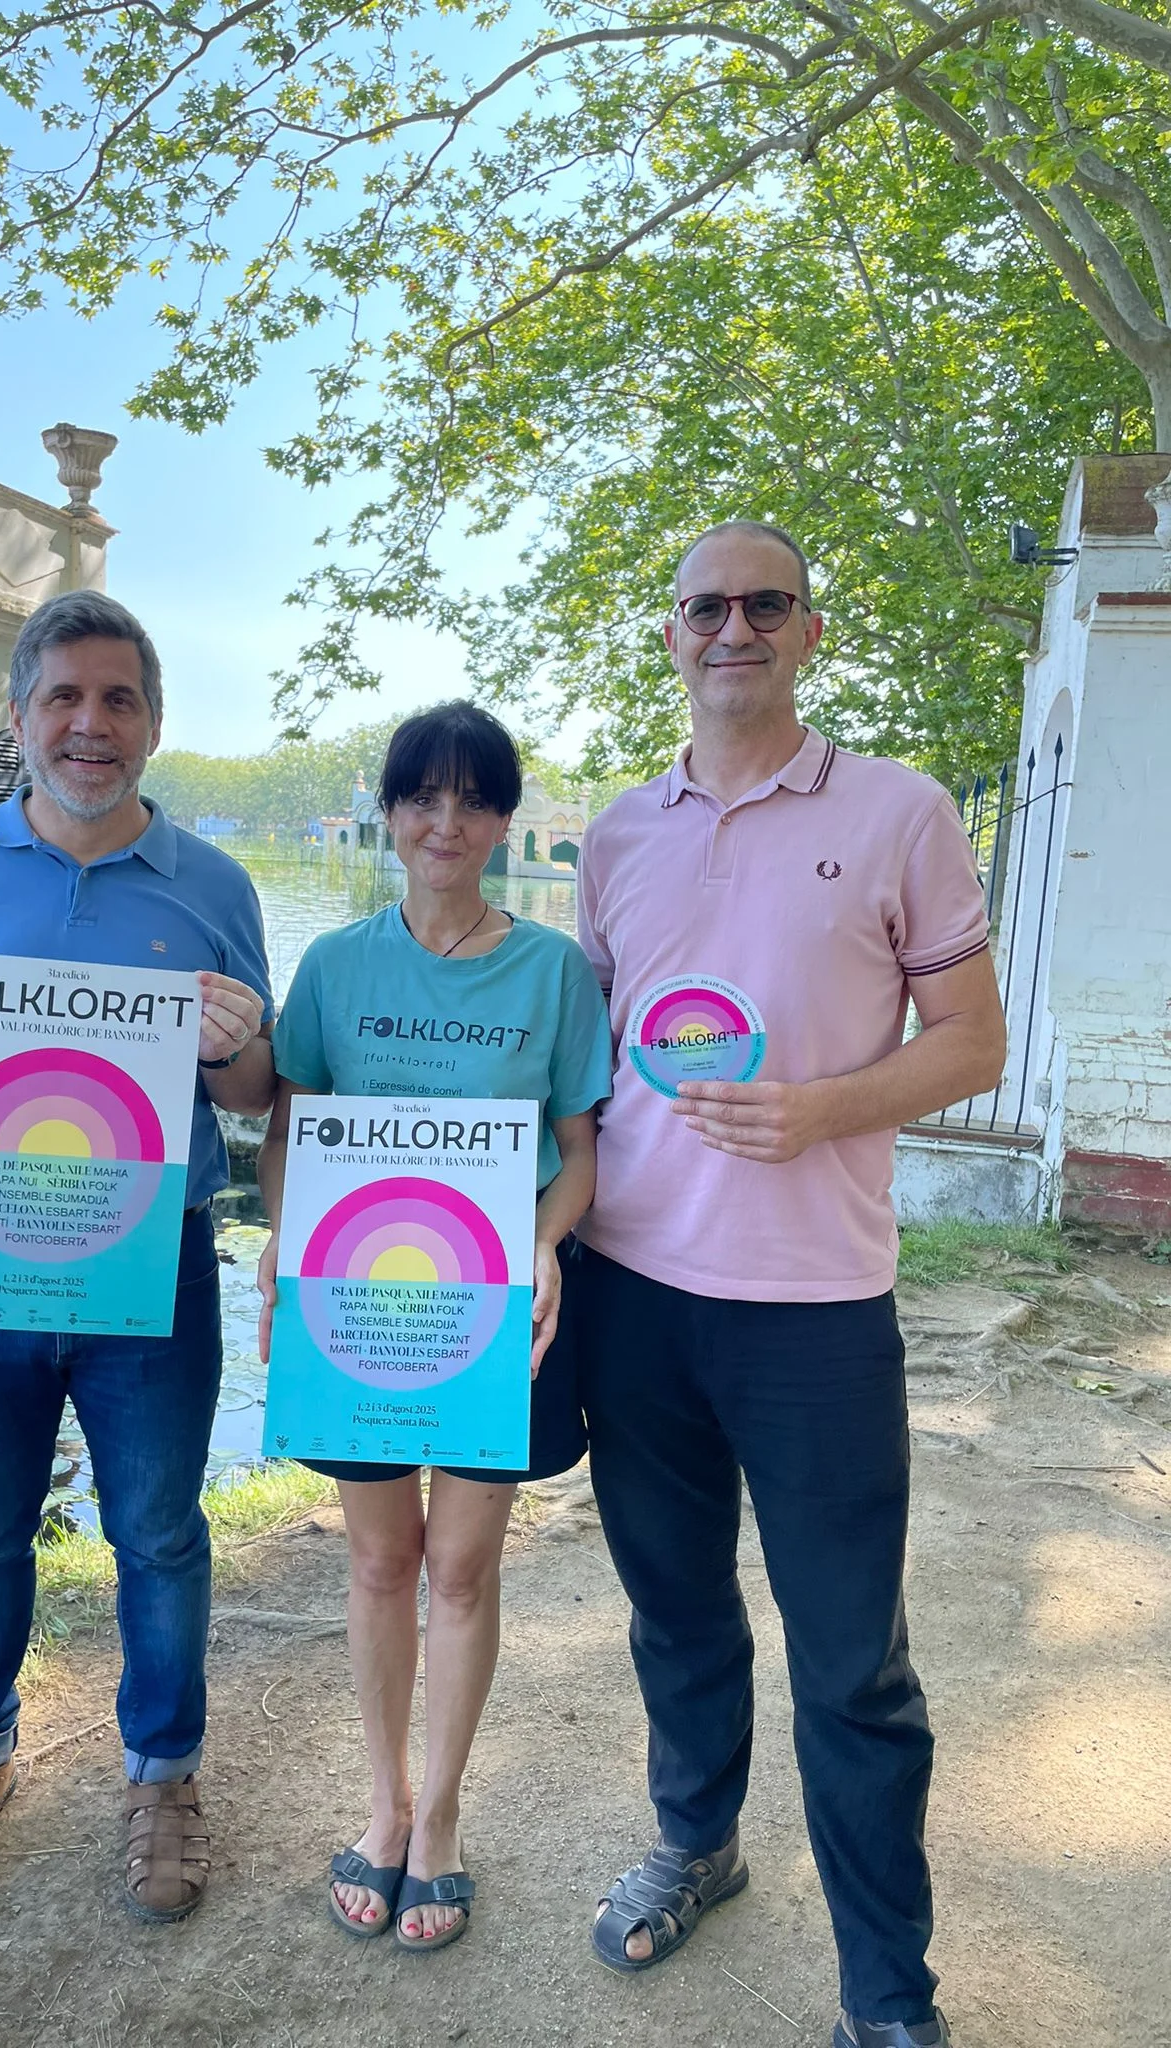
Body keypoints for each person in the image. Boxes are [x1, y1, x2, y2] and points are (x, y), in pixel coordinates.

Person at [574, 523, 1006, 2048]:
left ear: (811, 631)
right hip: (632, 1296)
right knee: (676, 1614)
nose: (735, 627)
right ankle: (698, 1843)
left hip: (817, 1313)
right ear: (672, 634)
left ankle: (887, 1993)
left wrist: (824, 1108)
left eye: (767, 603)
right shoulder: (617, 834)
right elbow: (583, 1073)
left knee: (853, 1668)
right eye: (706, 605)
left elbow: (974, 1042)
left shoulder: (901, 812)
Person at [0, 589, 276, 1920]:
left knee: (159, 1528)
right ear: (22, 715)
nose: (92, 724)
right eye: (65, 697)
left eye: (119, 699)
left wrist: (236, 1044)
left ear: (153, 722)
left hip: (152, 1264)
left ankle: (164, 1775)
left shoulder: (213, 886)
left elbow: (255, 1091)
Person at [255, 701, 610, 1951]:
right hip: (358, 1299)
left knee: (460, 1566)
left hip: (492, 1307)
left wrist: (545, 1239)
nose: (444, 821)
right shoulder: (334, 966)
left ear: (504, 820)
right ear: (388, 815)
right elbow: (289, 1132)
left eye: (471, 799)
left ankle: (444, 1812)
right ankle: (385, 1802)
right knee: (377, 1562)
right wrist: (287, 1246)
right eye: (421, 796)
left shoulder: (554, 972)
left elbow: (580, 1152)